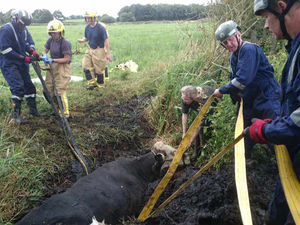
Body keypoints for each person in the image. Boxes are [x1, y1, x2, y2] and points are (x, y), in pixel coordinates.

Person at [248, 1, 300, 224]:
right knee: (279, 205)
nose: (266, 26)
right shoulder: (296, 48)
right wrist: (277, 125)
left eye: (266, 18)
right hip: (294, 154)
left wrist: (267, 131)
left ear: (281, 7)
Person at [213, 20, 281, 159]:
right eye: (225, 43)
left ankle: (281, 165)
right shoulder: (233, 58)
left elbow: (242, 79)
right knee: (243, 133)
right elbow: (234, 80)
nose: (229, 45)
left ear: (239, 34)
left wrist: (221, 90)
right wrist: (234, 94)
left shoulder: (249, 49)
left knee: (275, 133)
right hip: (249, 100)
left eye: (230, 40)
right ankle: (246, 163)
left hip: (267, 97)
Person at [0, 9, 40, 124]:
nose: (23, 27)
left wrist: (33, 51)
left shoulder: (24, 29)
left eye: (25, 25)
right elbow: (5, 50)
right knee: (18, 87)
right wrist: (24, 58)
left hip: (22, 63)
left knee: (29, 86)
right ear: (15, 19)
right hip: (9, 63)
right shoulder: (6, 30)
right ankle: (16, 116)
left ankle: (33, 111)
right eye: (22, 24)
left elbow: (28, 43)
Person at [41, 19, 72, 118]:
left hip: (62, 67)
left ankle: (65, 113)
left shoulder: (65, 42)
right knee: (48, 90)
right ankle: (57, 109)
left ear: (61, 32)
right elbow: (45, 51)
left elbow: (67, 59)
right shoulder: (50, 40)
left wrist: (53, 60)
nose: (53, 35)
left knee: (59, 91)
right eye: (51, 33)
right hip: (52, 67)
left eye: (55, 33)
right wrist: (44, 55)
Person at [78, 12, 112, 90]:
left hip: (99, 49)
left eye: (90, 18)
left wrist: (108, 54)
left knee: (99, 69)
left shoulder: (100, 28)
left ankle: (101, 86)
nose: (88, 19)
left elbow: (106, 41)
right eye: (87, 18)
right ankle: (92, 83)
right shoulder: (87, 27)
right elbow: (87, 38)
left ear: (94, 18)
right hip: (90, 49)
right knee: (85, 65)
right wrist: (82, 40)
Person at [181, 85, 215, 159]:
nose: (183, 101)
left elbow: (199, 124)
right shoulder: (185, 97)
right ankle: (196, 153)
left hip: (212, 107)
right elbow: (184, 114)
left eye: (186, 99)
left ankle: (206, 154)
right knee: (197, 129)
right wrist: (184, 133)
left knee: (204, 130)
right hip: (200, 109)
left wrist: (190, 140)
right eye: (183, 98)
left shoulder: (203, 100)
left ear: (192, 99)